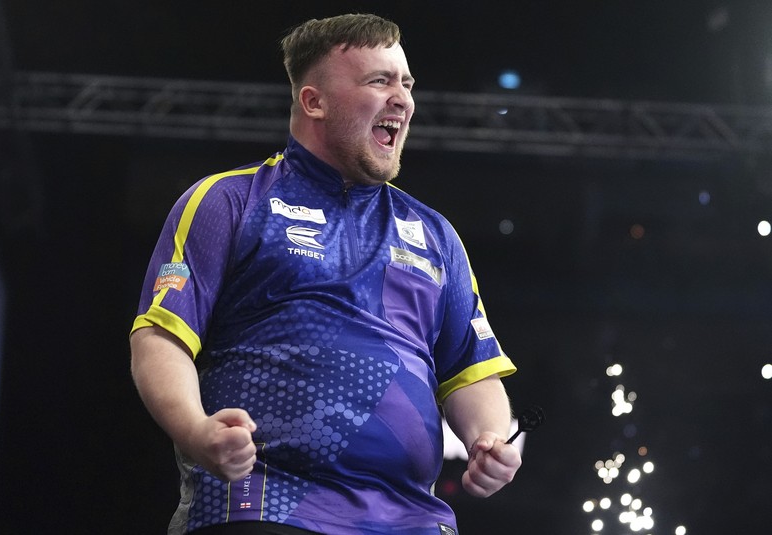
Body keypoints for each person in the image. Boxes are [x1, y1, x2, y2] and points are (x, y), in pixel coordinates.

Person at [130, 13, 522, 535]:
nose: (403, 100)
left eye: (406, 84)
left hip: (411, 518)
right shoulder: (228, 200)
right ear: (314, 102)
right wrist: (197, 432)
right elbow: (160, 337)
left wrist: (489, 439)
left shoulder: (435, 234)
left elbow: (471, 371)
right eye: (379, 81)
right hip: (263, 501)